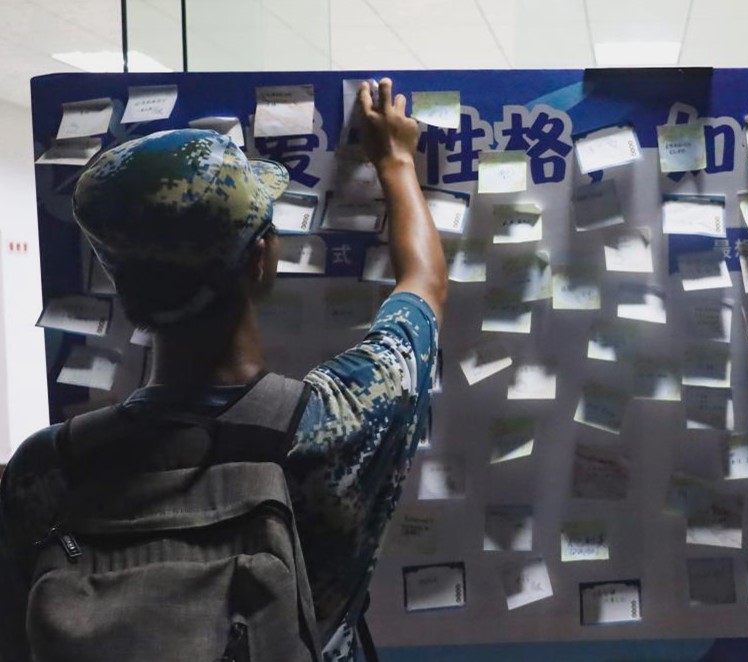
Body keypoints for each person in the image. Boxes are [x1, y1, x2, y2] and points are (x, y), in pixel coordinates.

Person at [0, 78, 446, 661]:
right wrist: (395, 161)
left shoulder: (45, 468)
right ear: (261, 259)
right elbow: (424, 286)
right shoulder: (338, 423)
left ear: (118, 280)